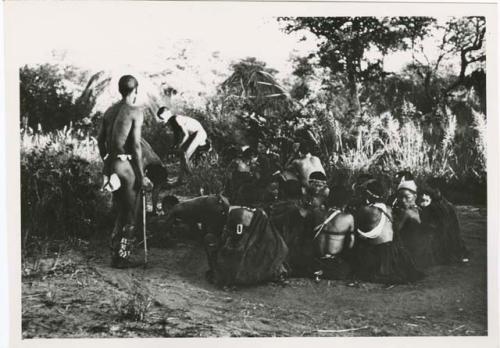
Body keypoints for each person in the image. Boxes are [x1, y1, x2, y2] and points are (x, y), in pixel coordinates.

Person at [97, 75, 150, 268]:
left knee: (120, 209)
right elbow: (135, 146)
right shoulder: (135, 111)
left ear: (120, 90)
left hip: (111, 165)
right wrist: (142, 176)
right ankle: (123, 257)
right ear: (135, 91)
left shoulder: (109, 111)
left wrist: (107, 162)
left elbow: (99, 141)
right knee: (130, 213)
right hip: (125, 166)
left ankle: (115, 254)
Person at [352, 178, 424, 284]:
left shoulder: (365, 210)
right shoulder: (389, 208)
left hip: (377, 254)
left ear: (368, 196)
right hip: (391, 252)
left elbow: (355, 226)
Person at [156, 106, 210, 183]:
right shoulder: (172, 121)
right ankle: (181, 179)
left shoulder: (176, 119)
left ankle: (192, 178)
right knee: (183, 155)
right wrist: (174, 146)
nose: (163, 120)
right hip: (194, 135)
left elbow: (186, 135)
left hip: (199, 133)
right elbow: (177, 137)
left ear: (168, 113)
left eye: (163, 117)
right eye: (161, 118)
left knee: (185, 155)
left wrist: (179, 146)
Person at [393, 179, 435, 269]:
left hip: (411, 251)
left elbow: (396, 231)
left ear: (415, 196)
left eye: (407, 197)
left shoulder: (406, 213)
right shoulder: (419, 209)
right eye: (400, 197)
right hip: (422, 253)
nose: (403, 200)